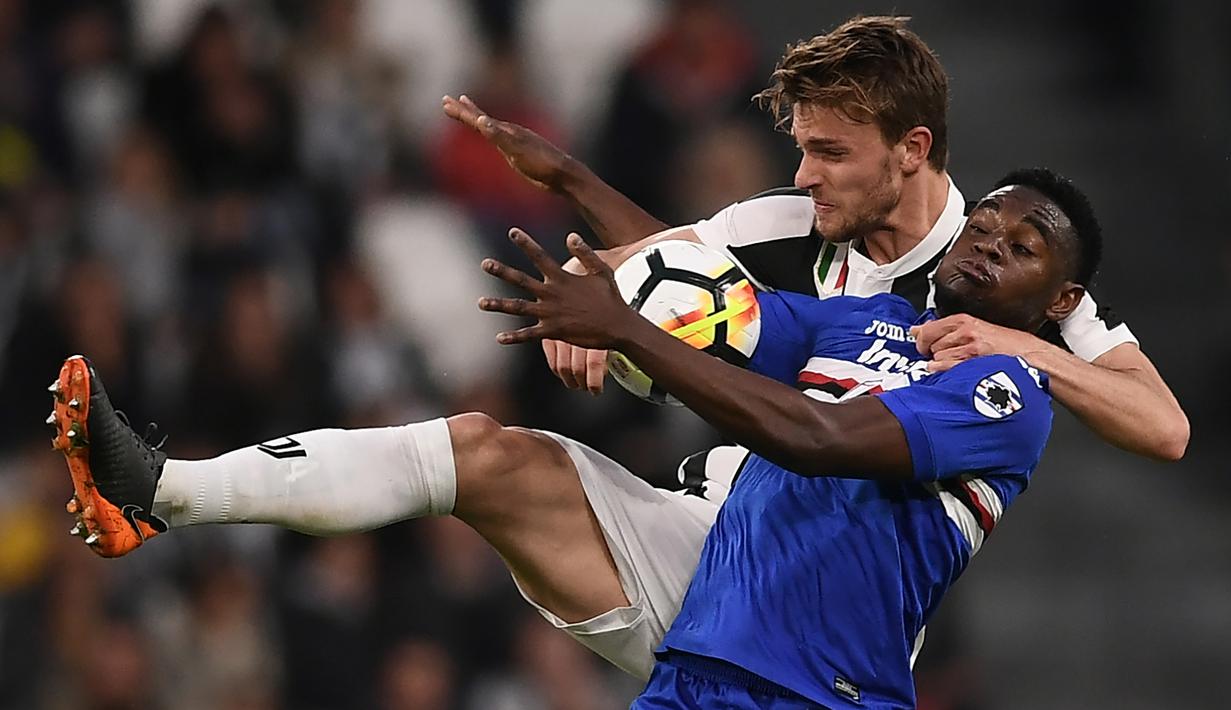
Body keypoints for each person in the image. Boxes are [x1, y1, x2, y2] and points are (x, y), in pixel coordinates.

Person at [55, 169, 1086, 691]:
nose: (992, 236)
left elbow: (815, 438)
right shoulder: (861, 319)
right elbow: (718, 309)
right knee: (486, 451)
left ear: (1060, 299)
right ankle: (160, 488)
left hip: (816, 681)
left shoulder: (1007, 391)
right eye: (987, 218)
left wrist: (629, 325)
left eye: (1025, 239)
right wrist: (600, 266)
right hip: (713, 623)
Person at [441, 15, 1189, 461]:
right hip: (749, 504)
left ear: (910, 148)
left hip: (870, 553)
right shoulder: (784, 220)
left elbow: (1164, 429)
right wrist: (595, 274)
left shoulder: (1000, 266)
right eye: (802, 148)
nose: (802, 177)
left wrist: (1020, 345)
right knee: (491, 454)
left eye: (829, 153)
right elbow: (671, 263)